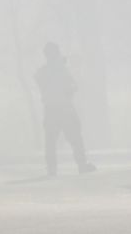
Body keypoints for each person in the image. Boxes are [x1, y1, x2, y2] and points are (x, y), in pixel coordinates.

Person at [36, 42, 94, 177]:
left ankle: (52, 169)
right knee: (75, 138)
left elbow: (40, 82)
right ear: (56, 54)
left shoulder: (42, 72)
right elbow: (72, 86)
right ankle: (82, 164)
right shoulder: (61, 70)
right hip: (65, 108)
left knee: (50, 141)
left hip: (50, 109)